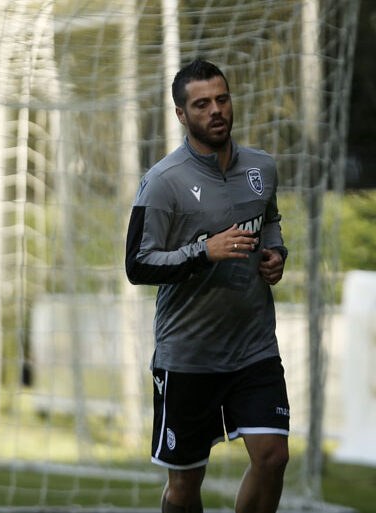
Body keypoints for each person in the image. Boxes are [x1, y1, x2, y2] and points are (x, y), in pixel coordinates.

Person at [125, 58, 290, 513]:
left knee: (273, 457)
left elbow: (269, 220)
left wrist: (276, 253)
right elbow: (137, 264)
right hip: (189, 355)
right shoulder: (163, 182)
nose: (216, 110)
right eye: (201, 104)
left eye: (222, 99)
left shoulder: (262, 167)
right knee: (184, 488)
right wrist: (203, 251)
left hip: (254, 347)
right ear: (181, 114)